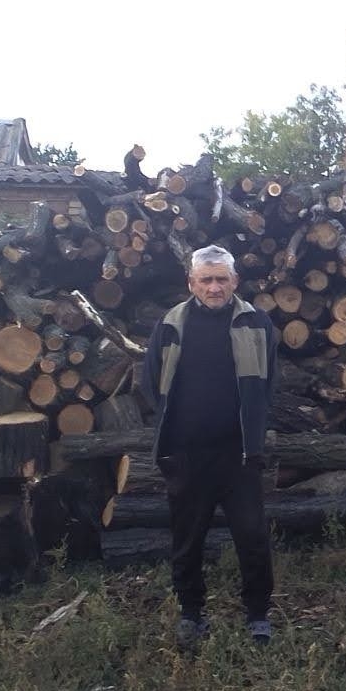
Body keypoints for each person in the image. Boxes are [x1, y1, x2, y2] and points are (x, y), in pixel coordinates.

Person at [140, 245, 278, 647]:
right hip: (187, 454)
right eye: (206, 280)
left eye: (221, 279)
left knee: (252, 537)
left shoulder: (256, 323)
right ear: (191, 283)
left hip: (239, 454)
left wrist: (251, 428)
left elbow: (269, 384)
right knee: (187, 539)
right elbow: (152, 384)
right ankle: (191, 613)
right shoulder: (170, 324)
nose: (215, 287)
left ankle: (257, 615)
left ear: (235, 281)